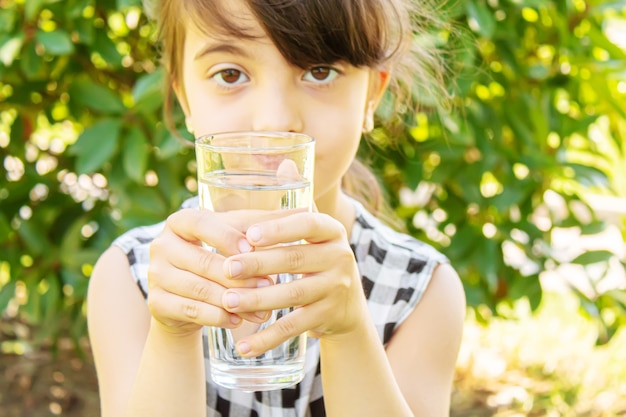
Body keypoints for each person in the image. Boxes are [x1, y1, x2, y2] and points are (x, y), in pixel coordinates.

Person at [87, 0, 466, 416]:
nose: (274, 120)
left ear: (372, 95)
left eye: (319, 71)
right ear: (186, 100)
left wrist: (349, 333)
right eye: (230, 74)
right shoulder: (132, 277)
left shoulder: (418, 290)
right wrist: (172, 334)